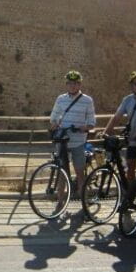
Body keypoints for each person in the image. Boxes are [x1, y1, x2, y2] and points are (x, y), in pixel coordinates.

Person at [102, 70, 136, 182]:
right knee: (130, 168)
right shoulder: (127, 100)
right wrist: (105, 132)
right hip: (133, 140)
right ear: (131, 85)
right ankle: (131, 191)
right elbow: (116, 117)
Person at [49, 70, 96, 199]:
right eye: (70, 83)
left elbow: (92, 122)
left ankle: (84, 202)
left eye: (75, 83)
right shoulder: (61, 99)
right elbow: (53, 117)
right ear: (66, 84)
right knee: (61, 173)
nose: (73, 86)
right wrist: (55, 124)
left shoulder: (87, 100)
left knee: (80, 172)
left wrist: (84, 127)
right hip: (63, 141)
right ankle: (60, 202)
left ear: (80, 84)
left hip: (79, 141)